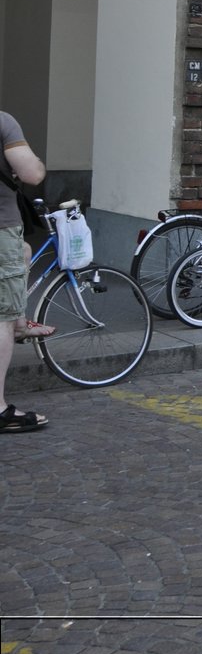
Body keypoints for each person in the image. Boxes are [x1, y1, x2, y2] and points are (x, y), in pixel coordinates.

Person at [1, 110, 52, 432]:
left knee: (24, 251)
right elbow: (31, 174)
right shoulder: (3, 122)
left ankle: (20, 321)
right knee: (0, 317)